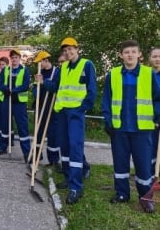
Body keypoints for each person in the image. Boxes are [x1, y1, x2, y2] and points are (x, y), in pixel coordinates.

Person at [102, 40, 160, 213]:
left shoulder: (148, 74)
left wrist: (158, 115)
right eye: (126, 52)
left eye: (133, 52)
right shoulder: (112, 75)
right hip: (119, 128)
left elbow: (157, 98)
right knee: (120, 163)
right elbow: (107, 100)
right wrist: (108, 122)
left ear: (139, 54)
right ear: (121, 55)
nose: (130, 55)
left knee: (143, 165)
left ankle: (145, 197)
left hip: (142, 129)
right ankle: (122, 193)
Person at [48, 37, 97, 205]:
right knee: (65, 145)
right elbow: (56, 87)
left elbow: (91, 91)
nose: (68, 52)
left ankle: (76, 187)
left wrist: (82, 108)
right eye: (65, 50)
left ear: (77, 49)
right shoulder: (64, 66)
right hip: (62, 112)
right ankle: (69, 178)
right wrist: (43, 82)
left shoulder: (86, 65)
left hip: (76, 113)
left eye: (71, 49)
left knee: (75, 147)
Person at [0, 49, 30, 160]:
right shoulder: (6, 70)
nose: (14, 59)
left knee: (22, 127)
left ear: (19, 58)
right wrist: (6, 89)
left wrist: (14, 90)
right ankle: (2, 147)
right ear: (10, 59)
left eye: (16, 57)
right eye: (12, 57)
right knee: (4, 125)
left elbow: (25, 85)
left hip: (19, 103)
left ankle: (27, 152)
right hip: (6, 101)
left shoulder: (24, 70)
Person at [32, 51, 60, 167]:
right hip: (40, 106)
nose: (39, 64)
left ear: (46, 60)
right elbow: (34, 89)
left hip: (52, 108)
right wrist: (35, 88)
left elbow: (56, 87)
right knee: (38, 132)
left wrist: (43, 82)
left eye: (40, 62)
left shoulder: (57, 72)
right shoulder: (39, 73)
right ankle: (36, 157)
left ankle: (53, 160)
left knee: (53, 135)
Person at [149, 47, 160, 177]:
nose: (158, 59)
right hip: (149, 119)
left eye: (159, 56)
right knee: (150, 149)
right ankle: (151, 175)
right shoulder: (146, 75)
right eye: (155, 56)